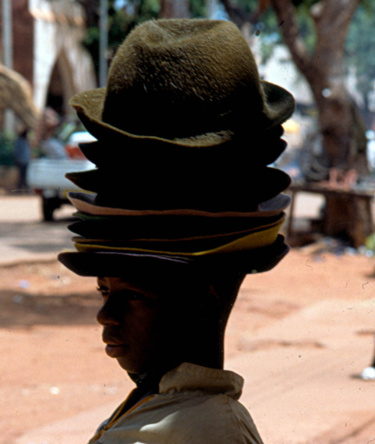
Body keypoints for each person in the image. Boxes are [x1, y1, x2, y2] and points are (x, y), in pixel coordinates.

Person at [57, 18, 295, 443]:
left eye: (132, 296)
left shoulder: (177, 432)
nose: (104, 315)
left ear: (206, 297)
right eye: (104, 291)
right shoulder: (171, 413)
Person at [14, 127, 31, 192]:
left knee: (24, 176)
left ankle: (22, 188)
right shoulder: (20, 141)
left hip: (26, 161)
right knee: (22, 176)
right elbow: (16, 151)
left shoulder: (25, 141)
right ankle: (21, 189)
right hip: (21, 161)